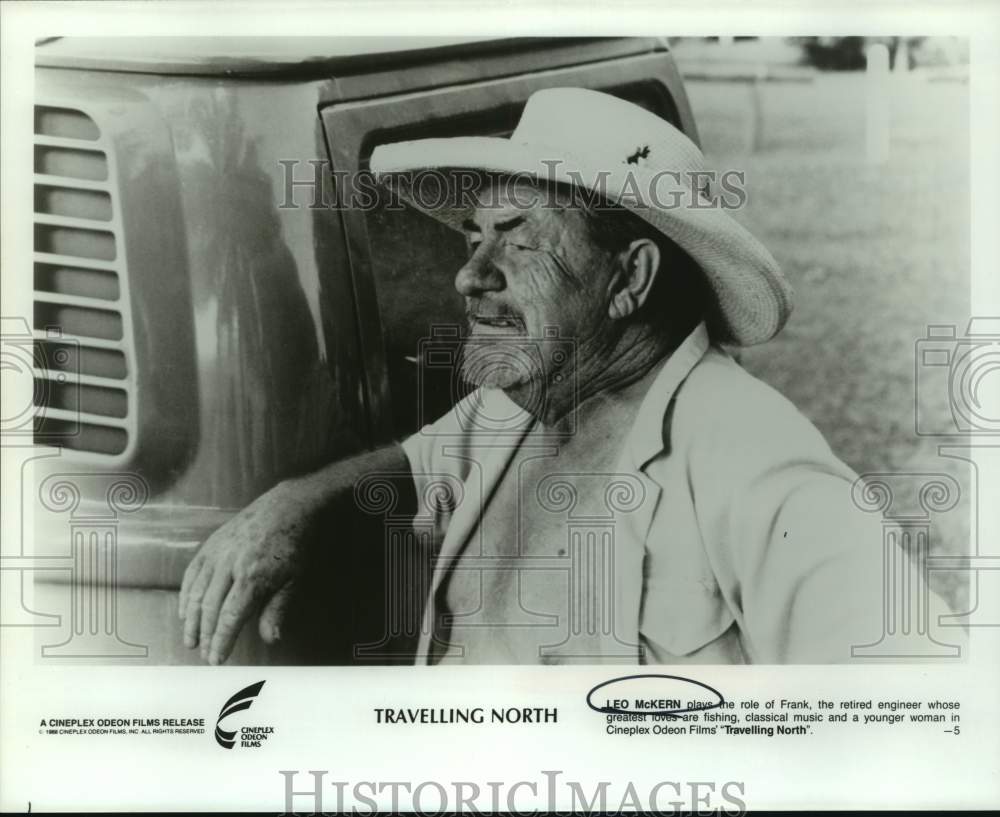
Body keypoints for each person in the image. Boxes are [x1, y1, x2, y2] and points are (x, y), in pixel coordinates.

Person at [179, 87, 951, 665]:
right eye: (474, 236)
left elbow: (917, 707)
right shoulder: (516, 406)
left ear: (629, 279)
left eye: (515, 238)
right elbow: (414, 463)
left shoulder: (751, 458)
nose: (469, 276)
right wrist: (296, 504)